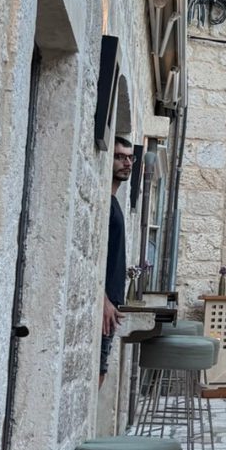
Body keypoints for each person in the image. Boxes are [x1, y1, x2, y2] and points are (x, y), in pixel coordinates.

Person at [101, 137, 133, 385]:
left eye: (130, 157)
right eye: (119, 156)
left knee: (100, 372)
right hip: (105, 307)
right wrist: (103, 300)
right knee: (97, 374)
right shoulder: (105, 204)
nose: (127, 162)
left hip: (111, 306)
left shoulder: (114, 204)